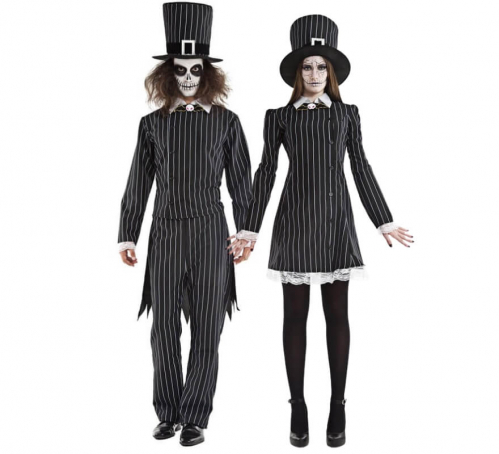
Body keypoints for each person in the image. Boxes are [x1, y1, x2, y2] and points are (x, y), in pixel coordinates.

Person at [229, 14, 414, 448]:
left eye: (321, 66)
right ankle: (297, 404)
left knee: (337, 316)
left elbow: (361, 166)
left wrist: (383, 219)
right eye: (306, 67)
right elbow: (266, 172)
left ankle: (337, 404)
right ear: (297, 72)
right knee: (294, 317)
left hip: (336, 222)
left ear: (331, 72)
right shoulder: (278, 116)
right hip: (294, 221)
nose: (314, 74)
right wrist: (248, 230)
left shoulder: (348, 113)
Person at [117, 2, 253, 447]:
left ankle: (195, 417)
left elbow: (242, 183)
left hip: (213, 233)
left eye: (196, 69)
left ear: (207, 73)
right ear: (167, 73)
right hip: (166, 232)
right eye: (180, 70)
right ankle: (168, 412)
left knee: (208, 328)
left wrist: (246, 233)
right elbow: (138, 182)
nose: (189, 78)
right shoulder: (151, 124)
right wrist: (127, 234)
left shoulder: (227, 122)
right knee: (163, 329)